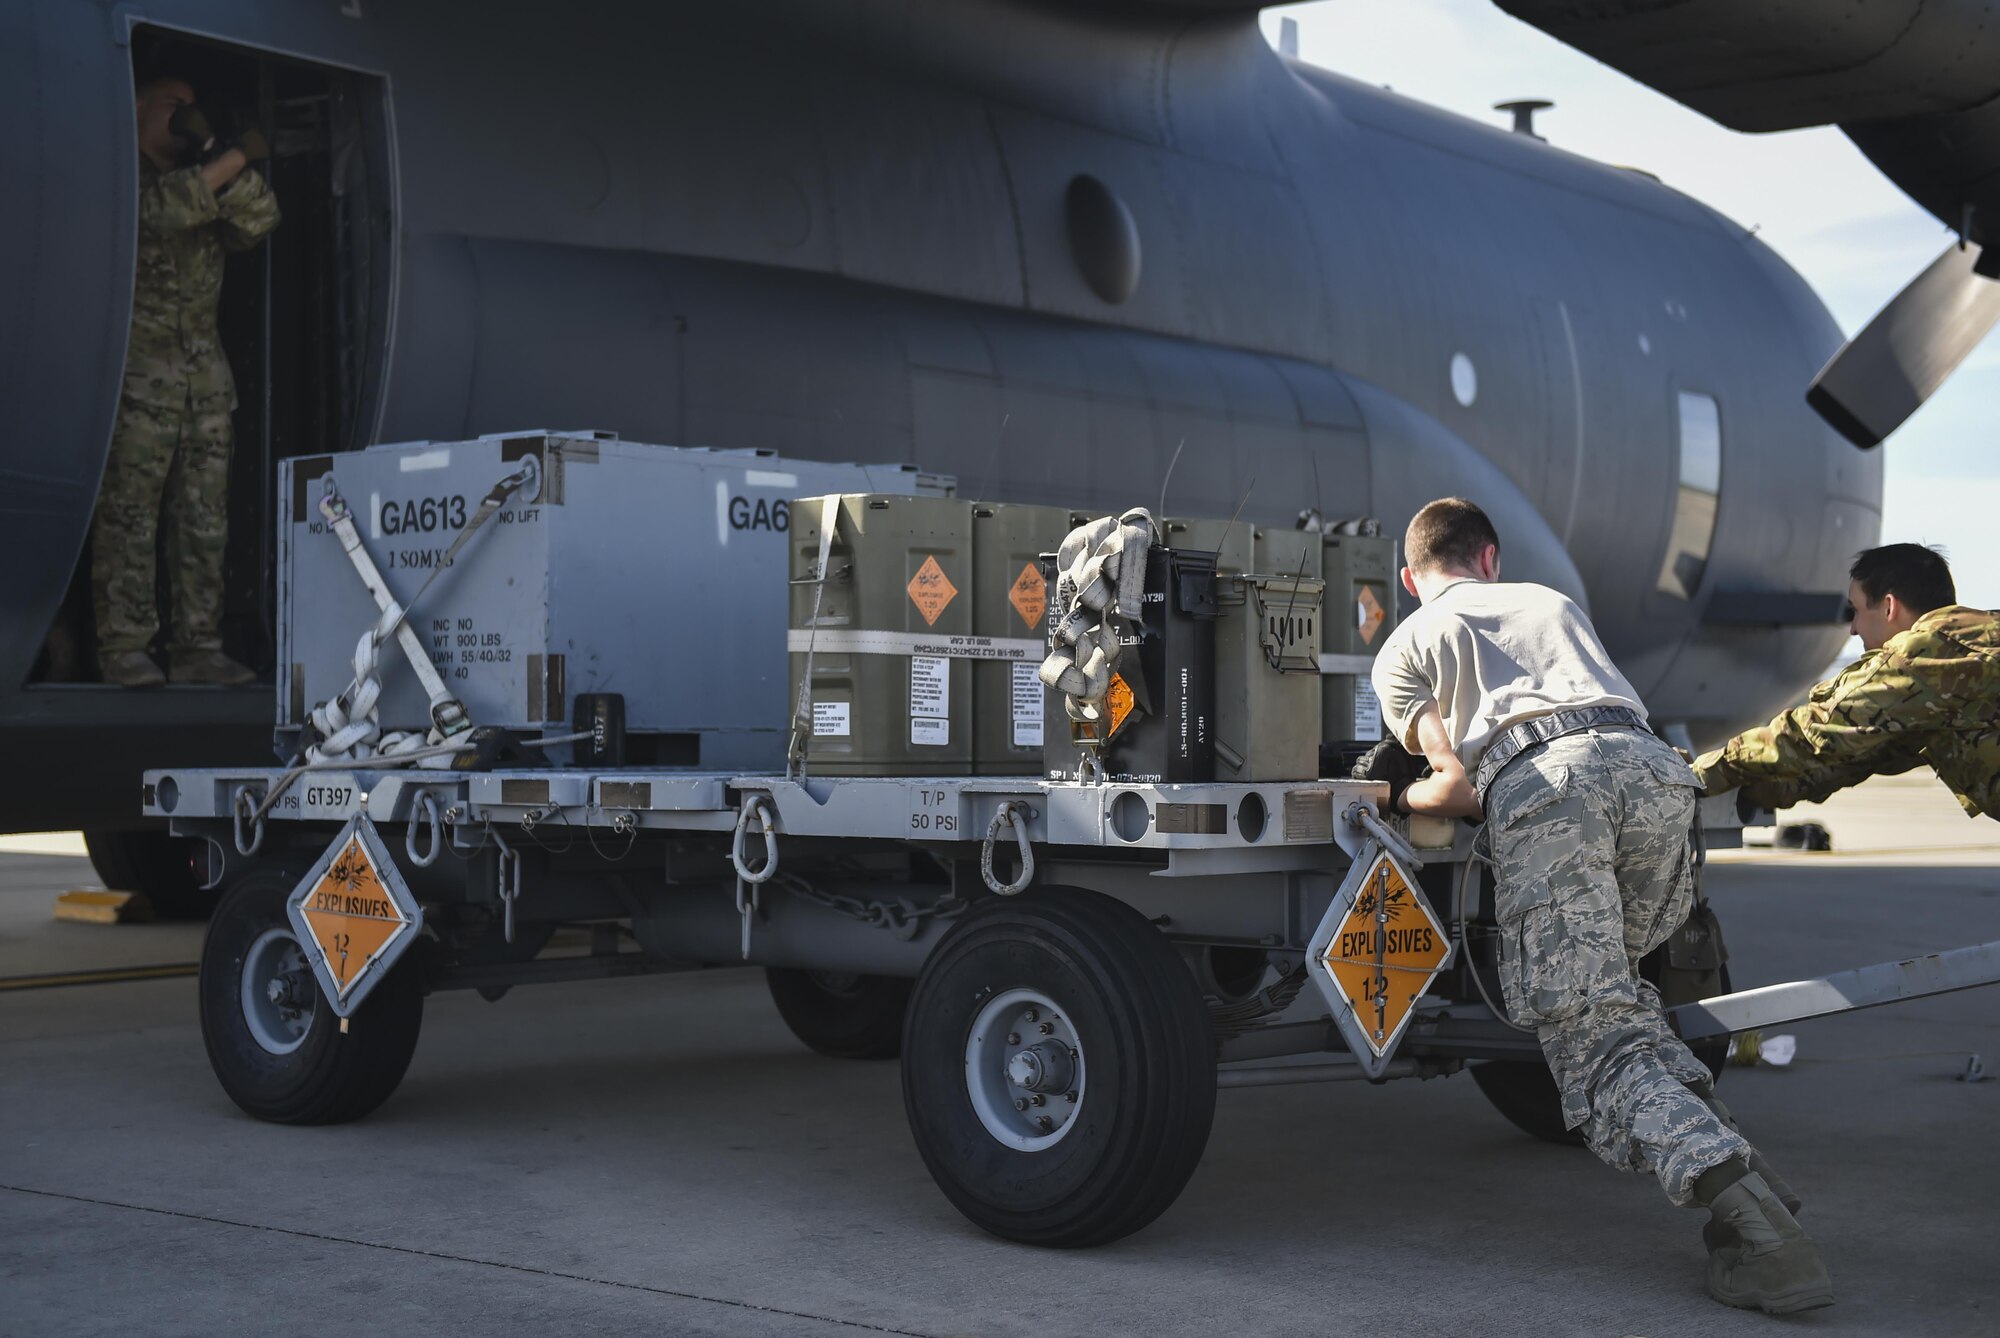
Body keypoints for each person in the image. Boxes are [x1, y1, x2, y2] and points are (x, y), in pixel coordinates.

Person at [1358, 497, 1831, 1314]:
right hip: (1656, 775)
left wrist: (1393, 802)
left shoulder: (1408, 642)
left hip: (1552, 787)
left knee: (1592, 1041)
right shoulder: (1551, 603)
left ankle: (1768, 1245)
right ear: (1490, 559)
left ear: (1410, 579)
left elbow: (1457, 786)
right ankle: (1755, 1196)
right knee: (1627, 1017)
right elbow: (1606, 716)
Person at [93, 73, 280, 687]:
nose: (185, 116)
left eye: (193, 108)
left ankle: (198, 648)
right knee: (129, 519)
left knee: (204, 522)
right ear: (141, 107)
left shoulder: (210, 178)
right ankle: (124, 647)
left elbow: (261, 218)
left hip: (204, 382)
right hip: (139, 382)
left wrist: (218, 162)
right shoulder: (121, 175)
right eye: (175, 106)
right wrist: (229, 158)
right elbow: (161, 213)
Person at [1695, 544, 2000, 819]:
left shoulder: (1922, 656)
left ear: (1889, 607)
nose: (1853, 629)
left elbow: (1815, 730)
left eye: (1856, 611)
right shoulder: (1975, 641)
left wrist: (1700, 774)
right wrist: (1773, 788)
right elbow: (1874, 751)